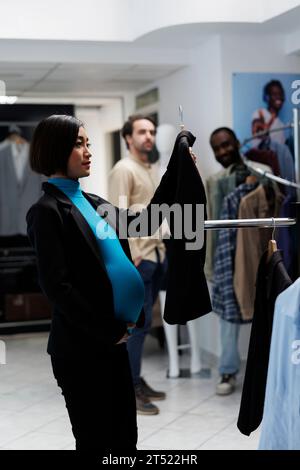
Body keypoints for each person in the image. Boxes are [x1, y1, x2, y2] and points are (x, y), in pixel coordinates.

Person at [26, 114, 198, 451]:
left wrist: (177, 169)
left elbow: (145, 220)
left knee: (124, 439)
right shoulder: (47, 211)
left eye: (88, 143)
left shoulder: (92, 202)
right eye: (79, 144)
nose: (88, 151)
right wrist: (107, 329)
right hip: (83, 348)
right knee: (97, 440)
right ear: (55, 149)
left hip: (114, 340)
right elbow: (56, 287)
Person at [108, 115, 168, 416]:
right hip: (139, 259)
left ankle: (135, 379)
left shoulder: (149, 168)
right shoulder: (124, 169)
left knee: (144, 326)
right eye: (142, 132)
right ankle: (127, 387)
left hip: (156, 256)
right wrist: (129, 257)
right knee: (137, 327)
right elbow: (116, 215)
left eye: (152, 131)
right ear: (128, 138)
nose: (149, 136)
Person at [208, 128, 244, 396]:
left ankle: (269, 369)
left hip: (257, 256)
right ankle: (228, 370)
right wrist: (209, 265)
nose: (222, 152)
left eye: (225, 145)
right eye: (216, 149)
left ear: (236, 143)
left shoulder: (262, 171)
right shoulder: (214, 181)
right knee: (228, 320)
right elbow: (210, 224)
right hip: (225, 258)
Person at [252, 79, 286, 146]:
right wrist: (272, 118)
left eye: (281, 94)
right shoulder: (259, 113)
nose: (279, 97)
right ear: (266, 97)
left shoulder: (281, 124)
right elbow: (260, 135)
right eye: (274, 94)